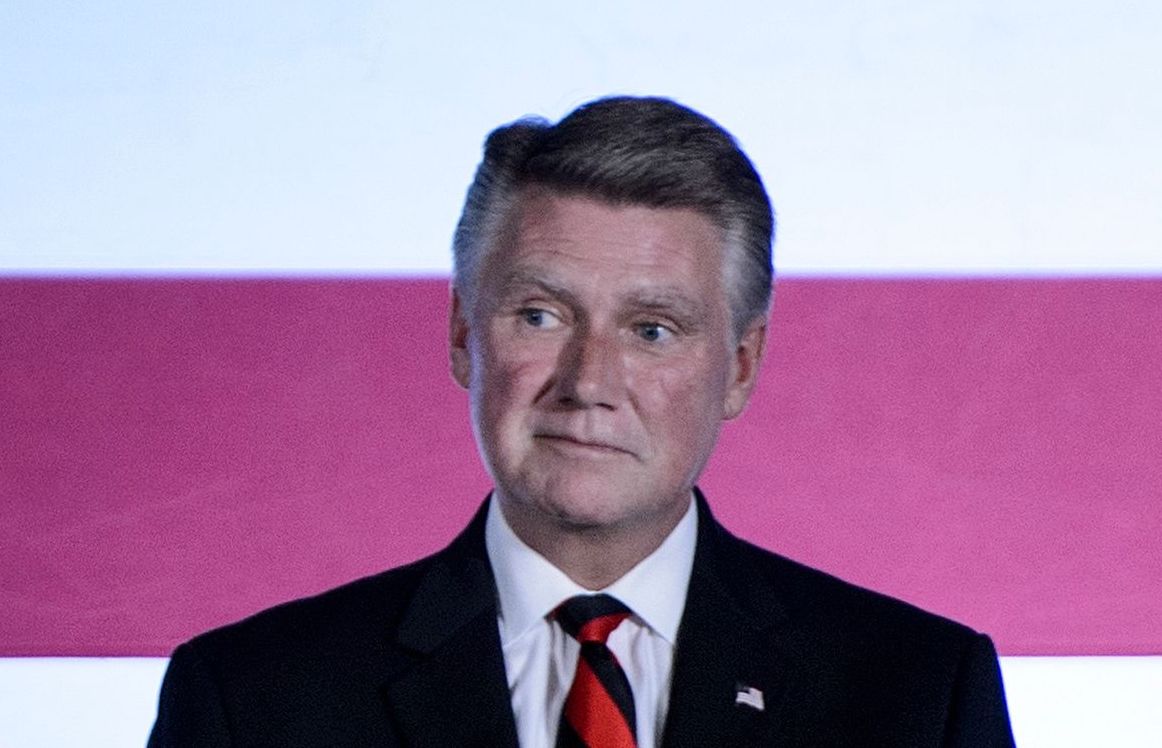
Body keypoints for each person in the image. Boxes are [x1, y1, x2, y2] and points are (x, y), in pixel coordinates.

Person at [148, 96, 1015, 747]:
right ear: (461, 335)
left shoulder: (918, 694)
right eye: (541, 315)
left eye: (652, 330)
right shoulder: (250, 698)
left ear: (740, 368)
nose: (589, 382)